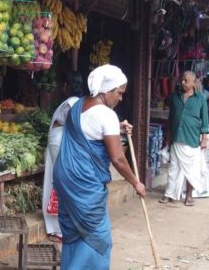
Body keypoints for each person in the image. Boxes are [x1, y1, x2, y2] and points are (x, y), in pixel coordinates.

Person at [53, 64, 146, 269]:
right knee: (97, 236)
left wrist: (116, 128)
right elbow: (118, 159)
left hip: (64, 178)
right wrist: (135, 183)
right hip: (83, 182)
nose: (120, 98)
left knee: (75, 233)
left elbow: (88, 128)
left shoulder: (78, 105)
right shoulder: (106, 115)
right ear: (107, 91)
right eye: (119, 93)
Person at [159, 71, 209, 206]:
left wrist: (205, 139)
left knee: (191, 170)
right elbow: (171, 118)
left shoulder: (201, 99)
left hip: (191, 139)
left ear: (193, 82)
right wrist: (168, 138)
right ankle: (169, 194)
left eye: (186, 81)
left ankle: (189, 196)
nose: (182, 82)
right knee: (173, 168)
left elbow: (205, 121)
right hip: (176, 138)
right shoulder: (175, 97)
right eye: (182, 80)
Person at [42, 96, 79, 242]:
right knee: (60, 182)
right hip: (58, 141)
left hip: (60, 140)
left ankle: (61, 228)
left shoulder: (75, 104)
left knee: (60, 181)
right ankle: (57, 230)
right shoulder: (73, 104)